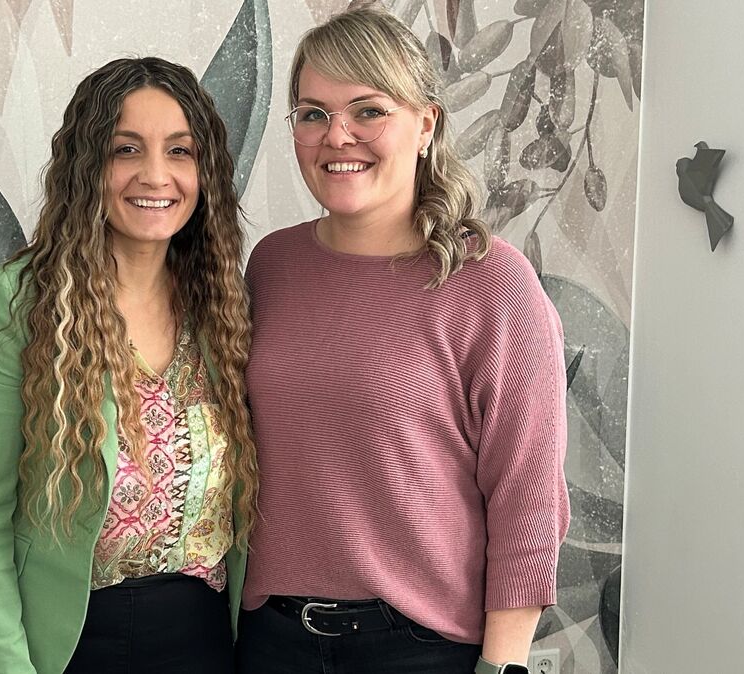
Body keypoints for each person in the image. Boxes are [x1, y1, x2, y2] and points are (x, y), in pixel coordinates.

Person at [236, 7, 569, 674]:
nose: (338, 135)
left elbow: (526, 497)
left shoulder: (493, 282)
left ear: (426, 124)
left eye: (368, 111)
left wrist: (503, 667)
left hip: (420, 651)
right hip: (271, 644)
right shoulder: (271, 266)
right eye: (312, 113)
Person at [0, 57, 258, 674]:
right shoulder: (17, 301)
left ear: (205, 171)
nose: (155, 175)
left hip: (204, 642)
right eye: (125, 149)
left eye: (181, 151)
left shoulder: (223, 304)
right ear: (89, 167)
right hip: (66, 643)